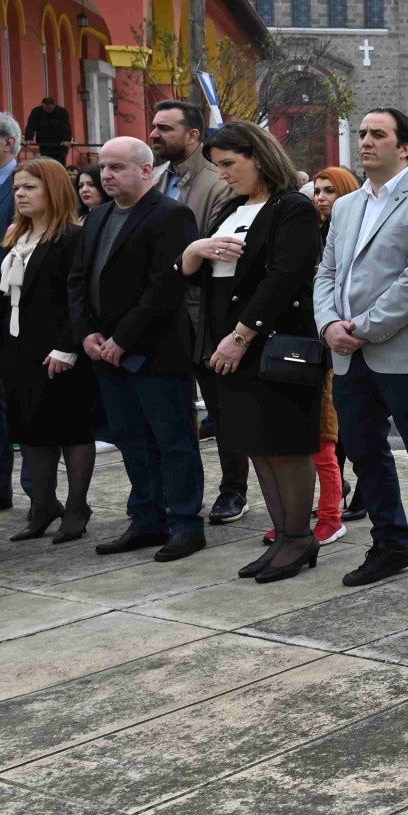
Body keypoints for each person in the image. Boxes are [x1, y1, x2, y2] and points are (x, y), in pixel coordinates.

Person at [313, 108, 408, 595]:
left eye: (378, 134)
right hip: (349, 352)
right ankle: (390, 543)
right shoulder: (346, 206)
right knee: (363, 450)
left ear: (405, 147)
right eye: (361, 134)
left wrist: (363, 328)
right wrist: (329, 323)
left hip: (407, 352)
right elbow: (327, 273)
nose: (365, 142)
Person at [180, 122, 324, 582]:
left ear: (258, 156)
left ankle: (300, 537)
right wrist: (195, 251)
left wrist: (241, 336)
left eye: (229, 164)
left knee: (286, 443)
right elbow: (200, 278)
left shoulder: (293, 208)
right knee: (257, 444)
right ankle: (282, 535)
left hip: (272, 344)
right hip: (229, 342)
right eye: (217, 166)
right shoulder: (230, 208)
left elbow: (283, 277)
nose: (223, 174)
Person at [71, 137, 205, 561]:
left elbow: (164, 287)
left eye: (117, 167)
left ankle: (185, 523)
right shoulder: (97, 218)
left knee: (173, 440)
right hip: (105, 353)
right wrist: (87, 335)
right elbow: (78, 282)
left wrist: (123, 340)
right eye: (103, 167)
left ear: (146, 170)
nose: (106, 175)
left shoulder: (172, 215)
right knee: (131, 439)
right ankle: (147, 519)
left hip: (157, 352)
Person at [151, 99, 250, 528]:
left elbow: (217, 248)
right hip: (158, 314)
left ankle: (233, 490)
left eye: (165, 129)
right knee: (171, 411)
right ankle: (179, 492)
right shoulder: (154, 177)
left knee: (221, 409)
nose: (155, 135)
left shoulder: (219, 183)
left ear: (193, 135)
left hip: (201, 313)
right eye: (153, 127)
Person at [0, 159, 97, 542]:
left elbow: (79, 300)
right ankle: (44, 504)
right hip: (17, 351)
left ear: (53, 191)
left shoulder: (70, 237)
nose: (20, 194)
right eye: (17, 187)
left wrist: (68, 347)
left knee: (70, 429)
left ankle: (78, 505)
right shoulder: (15, 238)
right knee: (31, 429)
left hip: (58, 351)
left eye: (30, 187)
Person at [306, 166, 360, 541]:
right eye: (318, 190)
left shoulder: (348, 229)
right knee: (328, 432)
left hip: (348, 335)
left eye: (330, 191)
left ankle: (351, 497)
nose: (321, 197)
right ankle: (336, 495)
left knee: (350, 429)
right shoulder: (312, 230)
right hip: (318, 337)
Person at [0, 110, 23, 516]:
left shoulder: (25, 186)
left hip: (2, 307)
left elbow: (19, 245)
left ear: (8, 143)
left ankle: (1, 491)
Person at [24, 95, 74, 165]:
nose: (48, 110)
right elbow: (31, 125)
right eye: (45, 108)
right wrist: (28, 138)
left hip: (60, 144)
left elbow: (67, 127)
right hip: (44, 143)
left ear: (53, 105)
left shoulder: (62, 112)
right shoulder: (36, 111)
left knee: (60, 164)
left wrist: (67, 140)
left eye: (50, 108)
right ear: (42, 105)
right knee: (46, 163)